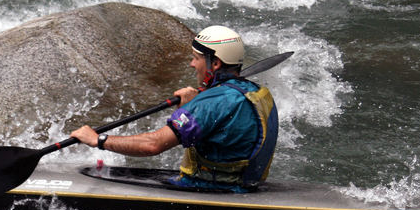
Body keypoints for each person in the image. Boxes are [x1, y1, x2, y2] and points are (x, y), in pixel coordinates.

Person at [70, 25, 279, 192]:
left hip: (211, 189)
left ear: (215, 63)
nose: (191, 64)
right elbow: (225, 122)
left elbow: (153, 145)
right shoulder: (256, 92)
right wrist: (196, 103)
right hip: (245, 183)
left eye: (196, 58)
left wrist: (98, 140)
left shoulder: (210, 104)